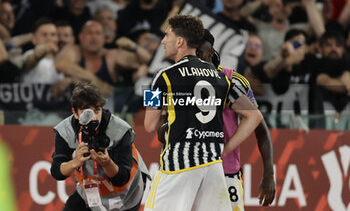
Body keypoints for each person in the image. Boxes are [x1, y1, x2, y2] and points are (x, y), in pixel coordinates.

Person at [144, 14, 263, 211]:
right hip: (214, 166)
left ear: (180, 41)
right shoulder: (220, 77)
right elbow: (255, 116)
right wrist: (226, 148)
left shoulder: (164, 76)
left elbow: (149, 125)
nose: (163, 41)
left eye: (167, 36)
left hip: (179, 165)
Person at [196, 29, 275, 208]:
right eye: (193, 54)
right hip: (187, 170)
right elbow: (156, 129)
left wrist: (269, 174)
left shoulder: (234, 80)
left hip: (226, 172)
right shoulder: (175, 79)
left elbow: (260, 127)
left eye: (201, 53)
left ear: (211, 52)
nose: (198, 60)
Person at [50, 82, 149, 211]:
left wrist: (107, 163)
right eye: (87, 112)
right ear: (75, 112)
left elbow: (122, 178)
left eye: (97, 110)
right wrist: (75, 162)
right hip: (92, 193)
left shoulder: (119, 129)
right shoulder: (65, 131)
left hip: (127, 194)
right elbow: (57, 172)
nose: (94, 118)